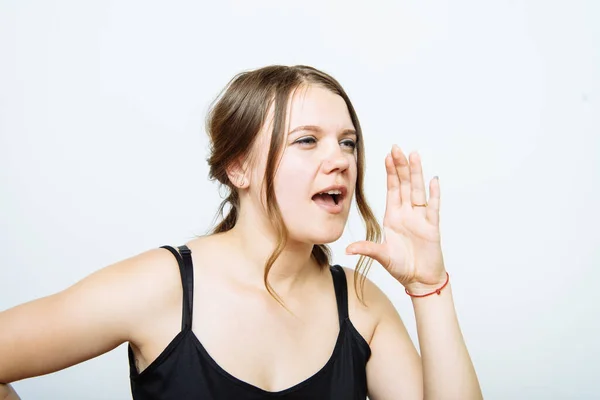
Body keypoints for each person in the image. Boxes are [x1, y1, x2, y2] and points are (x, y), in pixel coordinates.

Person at [0, 65, 482, 399]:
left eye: (348, 142)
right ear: (238, 167)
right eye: (307, 140)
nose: (340, 160)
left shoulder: (360, 305)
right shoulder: (161, 287)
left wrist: (427, 287)